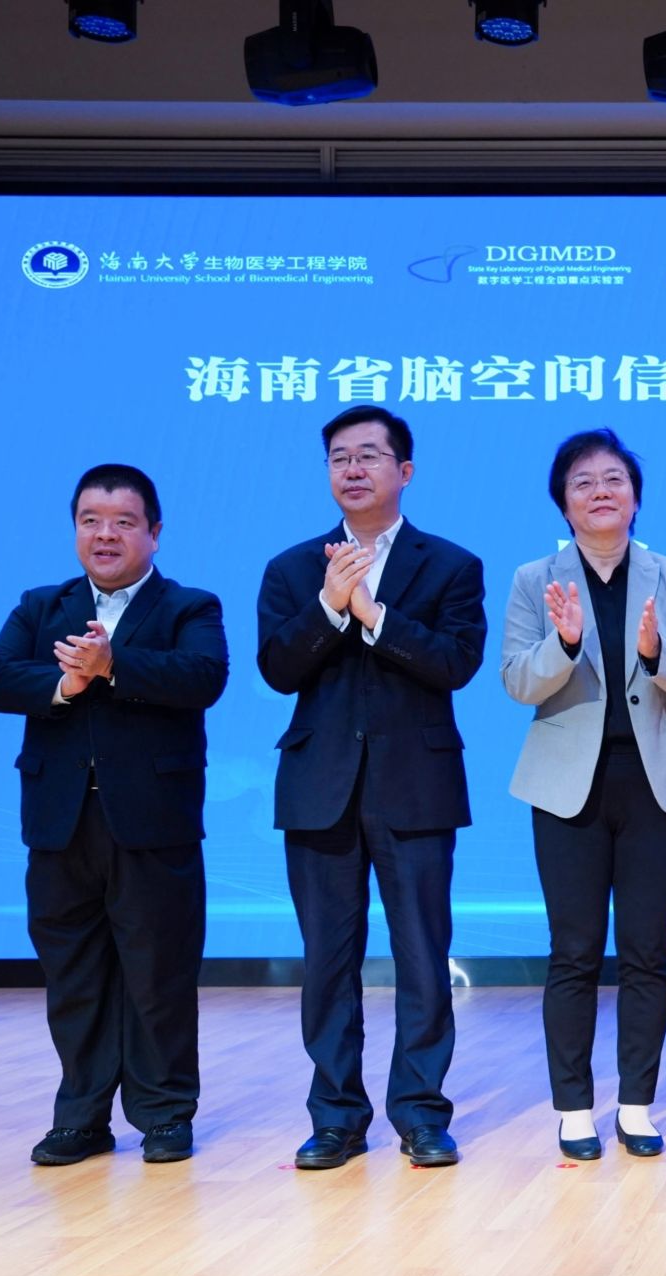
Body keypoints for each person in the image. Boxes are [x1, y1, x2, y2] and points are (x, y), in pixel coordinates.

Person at [0, 465, 228, 1166]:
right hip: (59, 824)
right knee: (73, 975)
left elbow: (203, 677)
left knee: (159, 973)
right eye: (91, 520)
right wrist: (65, 682)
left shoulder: (189, 606)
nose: (105, 534)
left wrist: (115, 666)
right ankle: (81, 1116)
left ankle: (164, 1113)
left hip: (152, 822)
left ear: (154, 532)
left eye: (123, 522)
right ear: (75, 530)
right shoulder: (41, 606)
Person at [257, 406, 486, 1170]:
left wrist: (375, 615)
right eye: (339, 458)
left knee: (423, 956)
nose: (352, 469)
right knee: (327, 962)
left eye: (369, 455)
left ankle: (421, 1114)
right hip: (318, 788)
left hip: (415, 786)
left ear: (404, 471)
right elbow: (277, 667)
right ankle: (335, 1118)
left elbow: (454, 663)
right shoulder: (293, 569)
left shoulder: (451, 565)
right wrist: (330, 607)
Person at [500, 429, 666, 1161]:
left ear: (635, 497)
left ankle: (636, 1104)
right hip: (568, 787)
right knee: (573, 950)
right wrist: (562, 645)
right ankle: (572, 1109)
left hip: (656, 782)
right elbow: (517, 681)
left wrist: (658, 654)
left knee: (647, 950)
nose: (601, 491)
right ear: (563, 503)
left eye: (614, 479)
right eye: (583, 482)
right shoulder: (535, 579)